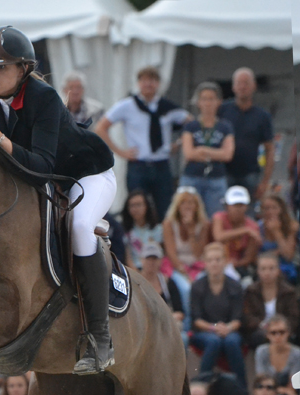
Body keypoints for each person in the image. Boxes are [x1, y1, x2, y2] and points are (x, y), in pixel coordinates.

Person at [0, 26, 117, 374]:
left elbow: (43, 166)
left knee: (79, 228)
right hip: (36, 178)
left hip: (85, 174)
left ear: (23, 69)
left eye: (0, 67)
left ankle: (100, 340)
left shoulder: (44, 97)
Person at [96, 66, 190, 220]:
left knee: (165, 209)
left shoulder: (166, 107)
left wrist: (179, 143)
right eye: (145, 80)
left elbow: (191, 124)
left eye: (152, 80)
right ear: (139, 83)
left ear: (158, 84)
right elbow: (101, 127)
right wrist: (121, 152)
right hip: (138, 165)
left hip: (161, 165)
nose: (148, 84)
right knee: (137, 208)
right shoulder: (128, 105)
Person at [190, 242, 246, 389]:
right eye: (210, 260)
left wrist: (226, 328)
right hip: (204, 331)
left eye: (218, 259)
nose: (214, 263)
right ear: (205, 263)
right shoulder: (197, 286)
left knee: (231, 342)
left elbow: (238, 318)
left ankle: (242, 388)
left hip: (230, 330)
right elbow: (196, 319)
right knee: (214, 341)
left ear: (225, 261)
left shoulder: (235, 286)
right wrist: (214, 328)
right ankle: (201, 387)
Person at [179, 82, 235, 217]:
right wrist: (216, 153)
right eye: (204, 99)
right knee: (188, 217)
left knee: (216, 217)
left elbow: (227, 154)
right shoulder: (190, 126)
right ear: (198, 102)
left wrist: (202, 150)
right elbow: (189, 153)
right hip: (192, 177)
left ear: (219, 102)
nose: (208, 103)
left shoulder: (225, 127)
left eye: (211, 99)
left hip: (216, 178)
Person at [218, 68, 274, 199]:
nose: (242, 87)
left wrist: (265, 181)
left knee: (248, 215)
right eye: (239, 83)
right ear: (233, 87)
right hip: (224, 173)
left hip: (250, 174)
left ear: (254, 86)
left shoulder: (263, 116)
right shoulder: (221, 111)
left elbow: (270, 149)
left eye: (246, 83)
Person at [161, 187, 210, 332]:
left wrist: (191, 231)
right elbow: (171, 253)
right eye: (183, 203)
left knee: (203, 285)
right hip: (176, 265)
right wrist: (185, 273)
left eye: (191, 203)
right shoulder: (169, 223)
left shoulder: (204, 224)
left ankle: (202, 323)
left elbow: (198, 253)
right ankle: (187, 329)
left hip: (197, 265)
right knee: (186, 288)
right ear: (177, 205)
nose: (187, 206)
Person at [241, 253, 299, 348]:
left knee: (281, 336)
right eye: (263, 269)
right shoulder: (251, 291)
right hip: (259, 330)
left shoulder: (288, 292)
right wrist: (263, 325)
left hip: (283, 329)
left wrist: (280, 328)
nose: (267, 273)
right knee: (260, 336)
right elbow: (247, 316)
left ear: (278, 270)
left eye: (271, 268)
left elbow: (293, 317)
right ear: (258, 271)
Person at [139, 243, 186, 347]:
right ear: (141, 260)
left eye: (154, 259)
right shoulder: (135, 283)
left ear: (160, 261)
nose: (151, 262)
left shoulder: (169, 283)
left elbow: (180, 311)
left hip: (167, 326)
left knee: (183, 337)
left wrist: (170, 317)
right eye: (148, 258)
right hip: (143, 326)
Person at [211, 185, 261, 279]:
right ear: (227, 206)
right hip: (215, 263)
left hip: (238, 266)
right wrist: (245, 230)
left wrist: (236, 263)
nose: (238, 209)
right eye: (234, 205)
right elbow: (219, 237)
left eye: (241, 205)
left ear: (246, 207)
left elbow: (249, 257)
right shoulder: (219, 218)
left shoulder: (253, 226)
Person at [254, 315, 300, 395]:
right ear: (267, 334)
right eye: (273, 333)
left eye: (282, 332)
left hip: (288, 393)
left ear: (288, 333)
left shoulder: (296, 354)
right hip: (267, 390)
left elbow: (292, 384)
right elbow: (262, 379)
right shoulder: (261, 352)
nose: (278, 336)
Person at [258, 193, 298, 284]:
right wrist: (276, 252)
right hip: (263, 267)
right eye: (267, 208)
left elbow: (288, 256)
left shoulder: (290, 227)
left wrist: (277, 232)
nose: (270, 212)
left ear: (281, 209)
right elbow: (255, 257)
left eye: (274, 208)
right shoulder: (258, 228)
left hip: (285, 268)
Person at [121, 190, 162, 270]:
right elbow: (128, 258)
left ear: (146, 206)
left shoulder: (157, 229)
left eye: (139, 205)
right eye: (132, 205)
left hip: (155, 270)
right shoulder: (125, 231)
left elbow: (161, 255)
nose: (136, 209)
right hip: (135, 271)